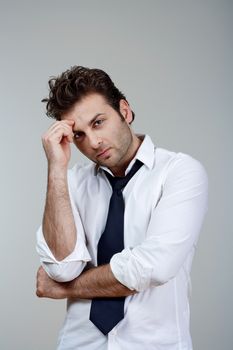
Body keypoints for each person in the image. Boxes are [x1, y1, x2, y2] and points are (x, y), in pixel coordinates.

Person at [36, 66, 208, 350]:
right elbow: (61, 269)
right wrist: (56, 167)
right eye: (78, 135)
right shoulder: (72, 184)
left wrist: (65, 290)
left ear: (125, 111)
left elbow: (151, 267)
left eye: (98, 122)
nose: (93, 142)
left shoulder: (180, 173)